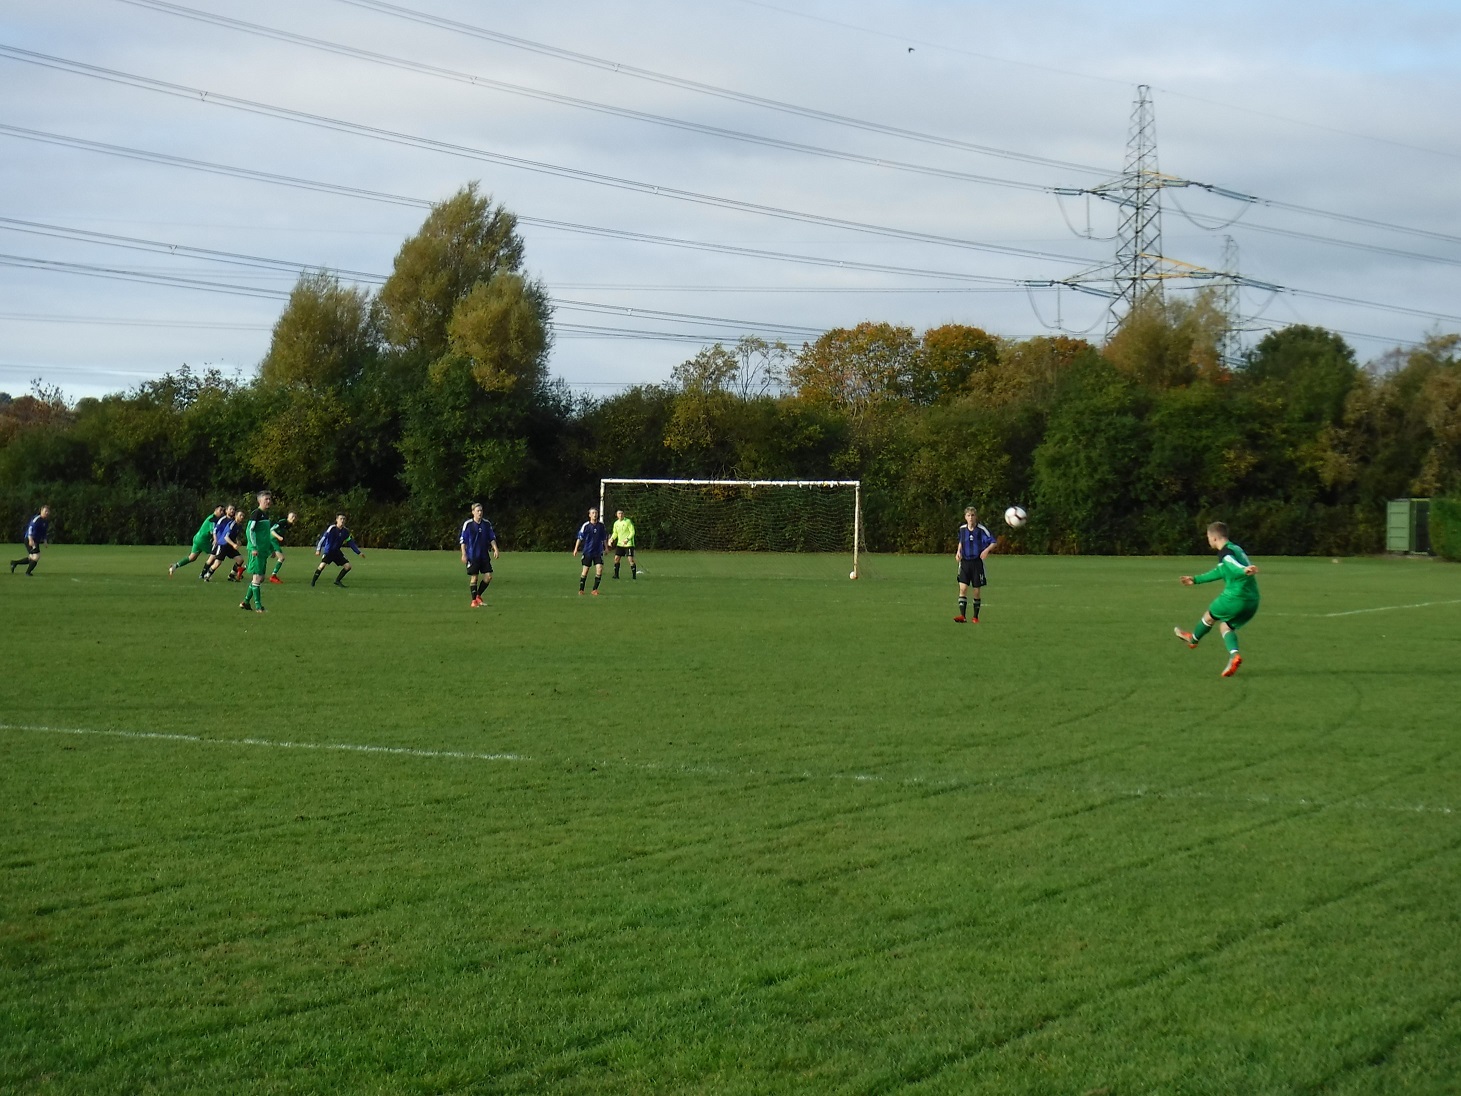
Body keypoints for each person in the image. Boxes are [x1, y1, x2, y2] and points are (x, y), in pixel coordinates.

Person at [1175, 521, 1260, 678]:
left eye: (1208, 537)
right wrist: (1196, 579)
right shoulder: (1236, 548)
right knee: (1225, 627)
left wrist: (1243, 570)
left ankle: (1193, 640)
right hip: (1252, 601)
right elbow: (1221, 571)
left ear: (1214, 538)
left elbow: (1231, 564)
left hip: (1235, 598)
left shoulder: (1225, 552)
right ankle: (1234, 655)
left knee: (1209, 616)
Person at [953, 506, 996, 623]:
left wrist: (986, 550)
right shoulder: (962, 529)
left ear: (976, 517)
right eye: (968, 515)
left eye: (972, 515)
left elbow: (993, 542)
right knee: (963, 588)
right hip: (964, 562)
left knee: (976, 591)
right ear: (965, 517)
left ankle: (975, 617)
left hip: (977, 563)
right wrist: (958, 552)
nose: (970, 518)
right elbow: (961, 541)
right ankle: (962, 616)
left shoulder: (981, 530)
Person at [459, 502, 500, 608]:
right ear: (473, 512)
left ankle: (478, 596)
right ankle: (474, 601)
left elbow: (491, 538)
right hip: (472, 555)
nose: (480, 513)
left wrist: (495, 549)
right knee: (474, 577)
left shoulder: (486, 524)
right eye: (478, 511)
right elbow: (463, 540)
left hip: (484, 555)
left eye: (481, 510)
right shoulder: (468, 524)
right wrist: (463, 554)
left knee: (488, 576)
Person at [239, 490, 273, 614]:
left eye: (269, 499)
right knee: (257, 577)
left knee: (261, 578)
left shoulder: (265, 515)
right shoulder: (256, 513)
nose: (269, 501)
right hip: (257, 550)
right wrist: (253, 547)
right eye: (266, 499)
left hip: (263, 550)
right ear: (260, 501)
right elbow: (250, 530)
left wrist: (271, 548)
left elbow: (265, 534)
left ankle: (245, 602)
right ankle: (258, 607)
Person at [170, 504, 226, 576]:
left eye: (223, 511)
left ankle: (175, 566)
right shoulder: (212, 519)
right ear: (215, 510)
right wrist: (216, 539)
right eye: (220, 510)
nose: (222, 512)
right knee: (214, 555)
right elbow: (213, 531)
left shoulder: (214, 518)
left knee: (192, 557)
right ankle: (204, 574)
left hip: (197, 538)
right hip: (203, 540)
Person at [312, 513, 363, 586]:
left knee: (348, 567)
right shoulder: (332, 528)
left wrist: (358, 552)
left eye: (344, 519)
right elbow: (323, 538)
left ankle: (337, 581)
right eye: (341, 519)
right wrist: (318, 549)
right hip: (329, 551)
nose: (342, 520)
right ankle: (313, 583)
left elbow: (350, 542)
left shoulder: (345, 531)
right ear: (337, 520)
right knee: (322, 566)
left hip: (337, 552)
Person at [573, 507, 608, 596]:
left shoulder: (601, 526)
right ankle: (581, 589)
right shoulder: (586, 526)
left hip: (598, 552)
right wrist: (576, 549)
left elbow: (604, 538)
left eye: (596, 513)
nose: (594, 514)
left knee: (599, 569)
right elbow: (580, 538)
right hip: (588, 551)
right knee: (585, 571)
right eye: (592, 513)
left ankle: (594, 590)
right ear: (589, 515)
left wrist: (606, 548)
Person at [201, 505, 242, 582]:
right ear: (226, 511)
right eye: (230, 509)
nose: (232, 510)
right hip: (221, 543)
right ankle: (204, 574)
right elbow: (215, 530)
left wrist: (237, 540)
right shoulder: (223, 520)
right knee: (213, 560)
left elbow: (234, 533)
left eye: (233, 509)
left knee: (240, 560)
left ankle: (231, 575)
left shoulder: (236, 523)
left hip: (229, 544)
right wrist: (215, 539)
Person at [10, 505, 51, 576]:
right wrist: (30, 539)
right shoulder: (37, 519)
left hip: (35, 540)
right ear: (41, 511)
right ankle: (27, 572)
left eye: (48, 511)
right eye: (45, 511)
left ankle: (14, 563)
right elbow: (30, 528)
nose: (47, 513)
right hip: (30, 539)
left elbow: (44, 532)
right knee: (36, 556)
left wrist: (45, 541)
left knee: (32, 557)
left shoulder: (45, 521)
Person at [268, 510, 297, 584]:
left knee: (262, 557)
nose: (293, 518)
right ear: (288, 517)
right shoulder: (282, 522)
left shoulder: (289, 525)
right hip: (271, 539)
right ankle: (273, 576)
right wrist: (278, 537)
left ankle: (243, 568)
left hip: (273, 540)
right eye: (292, 516)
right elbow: (271, 530)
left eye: (294, 517)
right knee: (281, 558)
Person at [608, 509, 638, 580]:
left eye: (621, 513)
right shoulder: (616, 523)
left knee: (630, 560)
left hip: (628, 544)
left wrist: (627, 539)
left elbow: (632, 532)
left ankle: (634, 576)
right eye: (619, 513)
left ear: (623, 514)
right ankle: (616, 575)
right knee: (616, 559)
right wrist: (612, 539)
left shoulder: (628, 521)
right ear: (616, 515)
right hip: (620, 544)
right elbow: (615, 533)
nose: (620, 515)